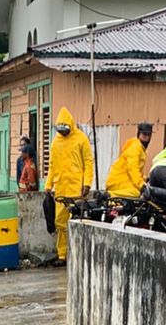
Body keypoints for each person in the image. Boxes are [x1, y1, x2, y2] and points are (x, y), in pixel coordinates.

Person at [42, 108, 94, 265]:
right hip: (61, 188)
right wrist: (48, 184)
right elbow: (52, 165)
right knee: (60, 222)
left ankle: (76, 252)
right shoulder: (56, 142)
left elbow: (88, 162)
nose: (63, 133)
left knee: (76, 221)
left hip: (76, 188)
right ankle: (62, 255)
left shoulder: (81, 139)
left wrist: (87, 183)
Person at [105, 121, 153, 199]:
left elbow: (135, 171)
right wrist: (142, 186)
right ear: (138, 134)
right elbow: (133, 168)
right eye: (144, 134)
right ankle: (109, 195)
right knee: (136, 192)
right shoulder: (136, 148)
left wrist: (145, 179)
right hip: (119, 181)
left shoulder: (140, 148)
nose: (147, 138)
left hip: (123, 180)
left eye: (149, 135)